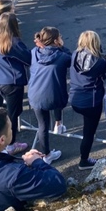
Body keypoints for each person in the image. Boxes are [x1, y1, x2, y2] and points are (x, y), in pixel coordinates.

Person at [0, 12, 31, 156]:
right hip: (13, 82)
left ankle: (7, 141)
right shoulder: (12, 42)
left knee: (10, 112)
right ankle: (10, 144)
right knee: (13, 114)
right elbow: (28, 58)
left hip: (0, 81)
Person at [28, 27, 72, 164]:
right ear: (55, 40)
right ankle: (58, 123)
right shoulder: (62, 56)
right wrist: (61, 47)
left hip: (35, 94)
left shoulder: (34, 52)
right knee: (56, 95)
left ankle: (46, 154)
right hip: (54, 96)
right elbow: (71, 57)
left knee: (42, 125)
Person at [69, 31, 106, 170]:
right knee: (89, 132)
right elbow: (105, 77)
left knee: (87, 126)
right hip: (91, 102)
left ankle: (85, 157)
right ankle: (84, 160)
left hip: (75, 99)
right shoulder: (100, 62)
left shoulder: (74, 55)